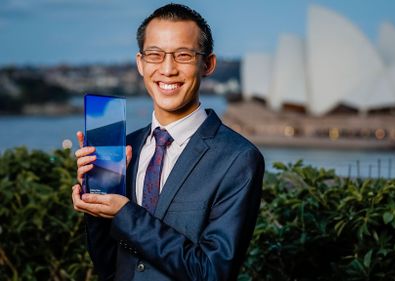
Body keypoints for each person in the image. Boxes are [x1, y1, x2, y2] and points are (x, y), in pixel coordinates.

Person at [71, 3, 264, 281]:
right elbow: (108, 266)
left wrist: (125, 213)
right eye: (155, 55)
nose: (167, 69)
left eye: (183, 55)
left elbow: (212, 272)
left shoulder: (238, 159)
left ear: (207, 64)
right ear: (140, 63)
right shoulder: (126, 148)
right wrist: (96, 205)